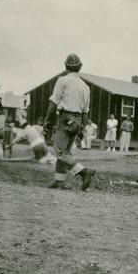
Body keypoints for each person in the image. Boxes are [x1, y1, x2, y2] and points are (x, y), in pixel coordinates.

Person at [42, 53, 95, 190]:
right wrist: (82, 128)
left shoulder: (62, 80)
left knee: (60, 152)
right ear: (79, 67)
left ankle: (84, 171)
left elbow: (54, 102)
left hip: (66, 119)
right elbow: (85, 111)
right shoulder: (85, 86)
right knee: (65, 151)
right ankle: (59, 180)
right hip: (77, 121)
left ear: (66, 66)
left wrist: (47, 120)